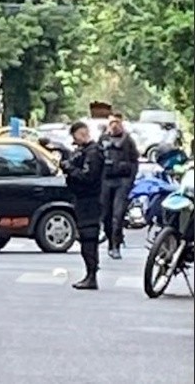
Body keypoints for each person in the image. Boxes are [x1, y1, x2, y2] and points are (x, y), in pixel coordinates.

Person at [62, 122, 104, 290]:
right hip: (83, 200)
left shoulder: (93, 153)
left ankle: (91, 275)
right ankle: (90, 274)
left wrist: (70, 168)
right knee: (85, 237)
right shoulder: (85, 151)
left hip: (90, 200)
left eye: (75, 137)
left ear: (81, 134)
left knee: (88, 237)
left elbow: (88, 177)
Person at [98, 113, 139, 259]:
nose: (114, 126)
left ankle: (115, 245)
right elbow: (97, 159)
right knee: (106, 215)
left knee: (118, 214)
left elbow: (135, 162)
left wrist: (130, 181)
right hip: (106, 181)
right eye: (111, 123)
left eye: (117, 122)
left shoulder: (128, 140)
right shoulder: (103, 139)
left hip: (122, 181)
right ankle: (110, 241)